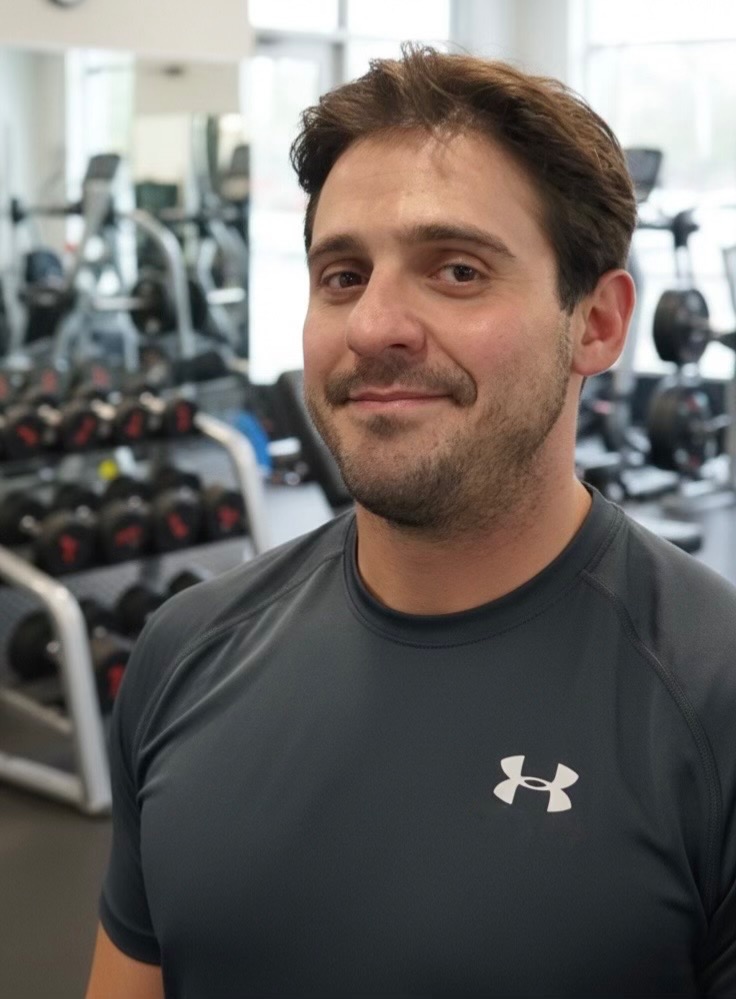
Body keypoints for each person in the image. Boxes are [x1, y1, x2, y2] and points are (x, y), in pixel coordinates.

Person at [86, 45, 736, 998]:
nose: (372, 325)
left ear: (597, 323)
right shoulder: (184, 649)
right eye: (342, 275)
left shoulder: (713, 696)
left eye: (458, 270)